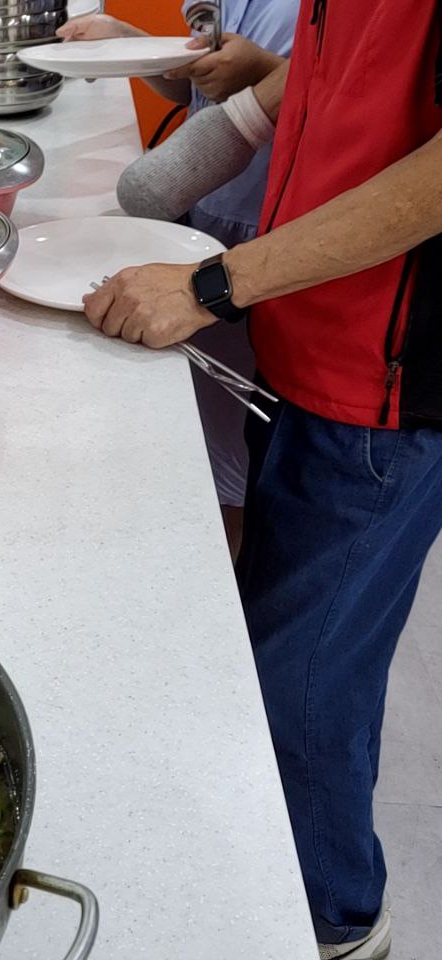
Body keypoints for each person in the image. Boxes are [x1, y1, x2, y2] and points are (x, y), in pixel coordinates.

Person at [83, 0, 442, 954]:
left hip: (389, 376)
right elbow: (338, 66)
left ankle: (336, 923)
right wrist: (222, 130)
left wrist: (216, 283)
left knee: (304, 681)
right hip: (315, 329)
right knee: (273, 639)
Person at [59, 2, 297, 554]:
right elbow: (197, 87)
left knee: (243, 437)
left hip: (274, 230)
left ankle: (228, 552)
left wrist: (263, 75)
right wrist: (130, 45)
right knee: (204, 428)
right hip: (207, 215)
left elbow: (349, 105)